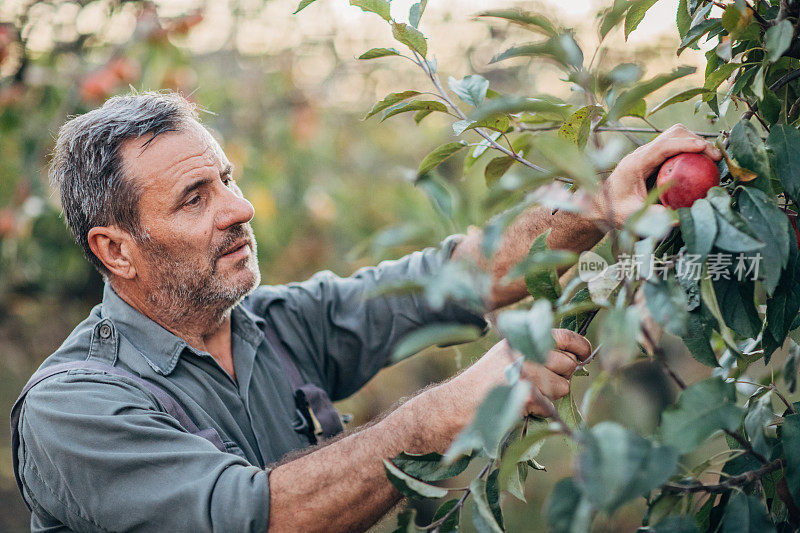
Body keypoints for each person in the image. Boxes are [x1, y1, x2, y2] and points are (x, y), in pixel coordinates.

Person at [11, 91, 722, 532]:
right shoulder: (73, 408)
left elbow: (453, 278)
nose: (241, 208)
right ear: (117, 249)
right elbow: (258, 518)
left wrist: (598, 206)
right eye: (195, 197)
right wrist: (438, 414)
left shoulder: (271, 327)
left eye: (226, 178)